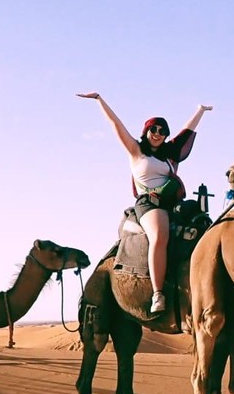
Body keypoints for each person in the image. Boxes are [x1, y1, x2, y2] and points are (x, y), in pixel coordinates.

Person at [78, 94, 212, 314]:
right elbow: (116, 124)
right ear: (146, 131)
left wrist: (200, 110)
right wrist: (99, 99)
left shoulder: (170, 155)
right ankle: (158, 294)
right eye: (154, 130)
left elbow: (186, 131)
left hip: (172, 202)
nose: (158, 134)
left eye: (162, 131)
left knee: (203, 227)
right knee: (159, 235)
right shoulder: (137, 151)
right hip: (149, 203)